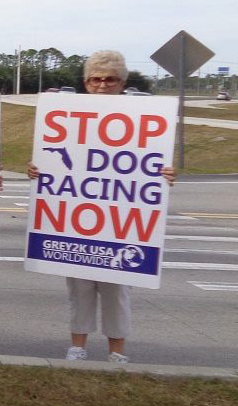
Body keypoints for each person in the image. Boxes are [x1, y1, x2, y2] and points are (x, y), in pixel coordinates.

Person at [26, 50, 176, 364]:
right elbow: (55, 158)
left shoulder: (142, 116)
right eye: (96, 79)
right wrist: (37, 169)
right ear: (86, 82)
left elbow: (149, 162)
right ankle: (77, 347)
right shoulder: (68, 116)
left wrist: (164, 174)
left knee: (116, 291)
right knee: (79, 289)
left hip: (118, 223)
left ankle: (117, 352)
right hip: (75, 221)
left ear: (123, 82)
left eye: (110, 79)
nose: (103, 85)